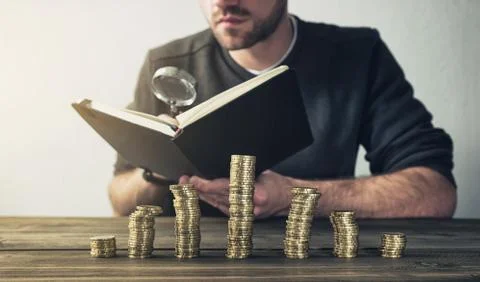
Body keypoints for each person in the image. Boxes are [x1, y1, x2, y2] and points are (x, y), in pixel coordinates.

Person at [109, 0, 456, 219]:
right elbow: (120, 198)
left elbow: (435, 192)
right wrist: (158, 170)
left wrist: (295, 197)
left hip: (321, 263)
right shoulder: (166, 64)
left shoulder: (359, 56)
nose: (224, 2)